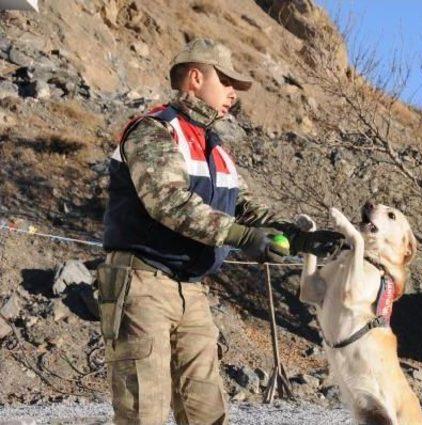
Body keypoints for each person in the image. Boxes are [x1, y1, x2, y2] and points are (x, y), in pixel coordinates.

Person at [98, 38, 344, 425]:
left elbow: (247, 209)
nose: (233, 94)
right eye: (227, 81)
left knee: (206, 412)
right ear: (195, 78)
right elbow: (168, 202)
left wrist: (297, 239)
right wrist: (244, 238)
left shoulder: (215, 147)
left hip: (191, 288)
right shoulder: (155, 131)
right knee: (143, 412)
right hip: (142, 284)